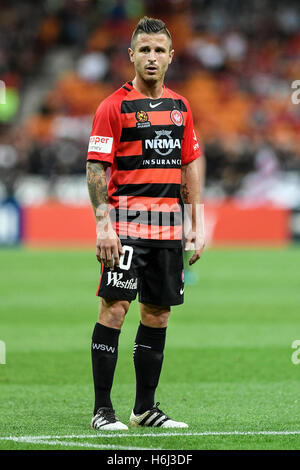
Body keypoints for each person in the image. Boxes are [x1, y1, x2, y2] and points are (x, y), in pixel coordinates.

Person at [86, 16, 205, 431]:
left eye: (159, 50)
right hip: (126, 227)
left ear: (171, 57)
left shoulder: (181, 107)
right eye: (145, 50)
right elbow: (96, 169)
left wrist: (194, 220)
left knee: (157, 315)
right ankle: (103, 410)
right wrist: (104, 224)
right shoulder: (111, 107)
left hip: (168, 228)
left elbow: (188, 164)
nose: (152, 57)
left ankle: (144, 409)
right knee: (115, 310)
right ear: (131, 55)